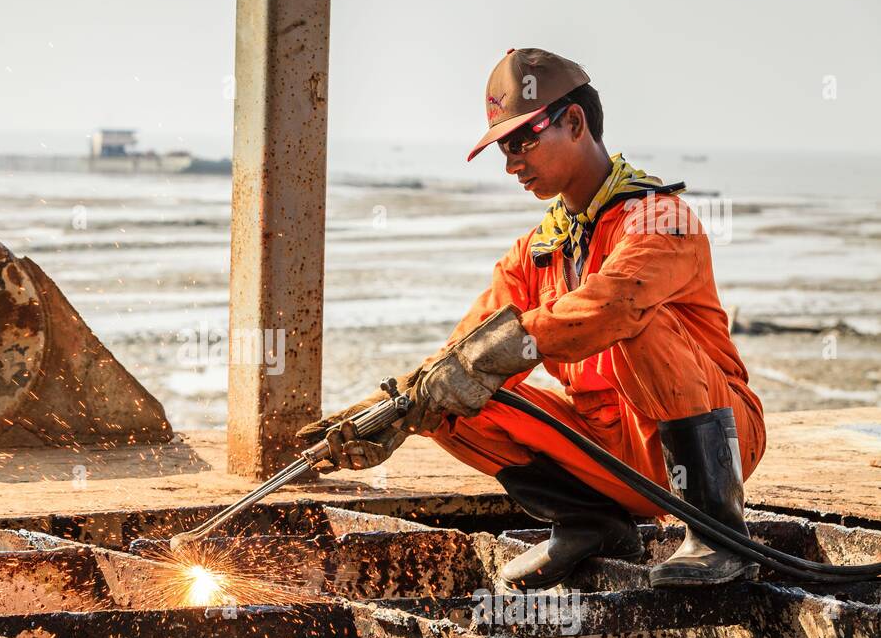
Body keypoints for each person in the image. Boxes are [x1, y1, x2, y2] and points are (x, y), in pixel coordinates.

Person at [298, 48, 765, 590]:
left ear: (574, 122)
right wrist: (397, 406)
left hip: (719, 438)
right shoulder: (535, 252)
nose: (511, 162)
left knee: (635, 319)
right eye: (504, 147)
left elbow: (613, 305)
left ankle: (716, 534)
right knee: (450, 398)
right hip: (608, 456)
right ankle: (595, 523)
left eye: (522, 141)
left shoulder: (660, 216)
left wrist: (509, 347)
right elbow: (463, 352)